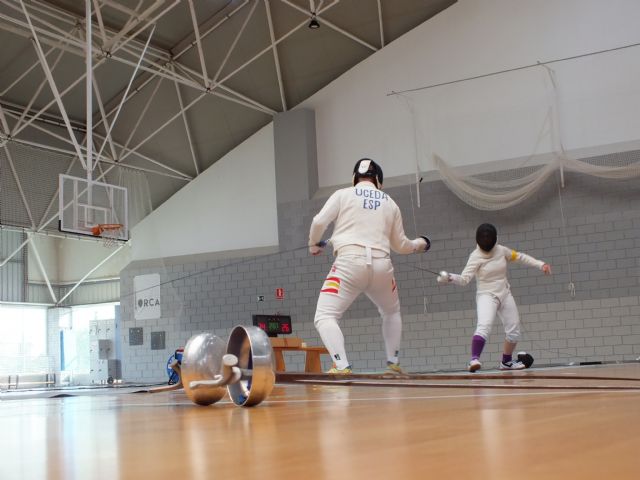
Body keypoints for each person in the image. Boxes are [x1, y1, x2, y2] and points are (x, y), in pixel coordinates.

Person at [308, 158, 431, 374]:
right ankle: (393, 363)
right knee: (391, 312)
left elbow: (319, 222)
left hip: (348, 264)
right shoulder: (389, 202)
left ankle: (341, 365)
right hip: (383, 267)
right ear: (378, 180)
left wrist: (313, 244)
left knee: (325, 315)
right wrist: (421, 244)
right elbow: (401, 245)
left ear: (355, 178)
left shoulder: (342, 194)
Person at [437, 223, 551, 372]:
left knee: (514, 330)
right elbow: (465, 279)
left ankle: (506, 362)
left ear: (495, 239)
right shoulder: (475, 257)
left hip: (504, 293)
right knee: (484, 326)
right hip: (486, 295)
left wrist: (540, 264)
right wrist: (450, 278)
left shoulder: (502, 250)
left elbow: (520, 257)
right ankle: (474, 360)